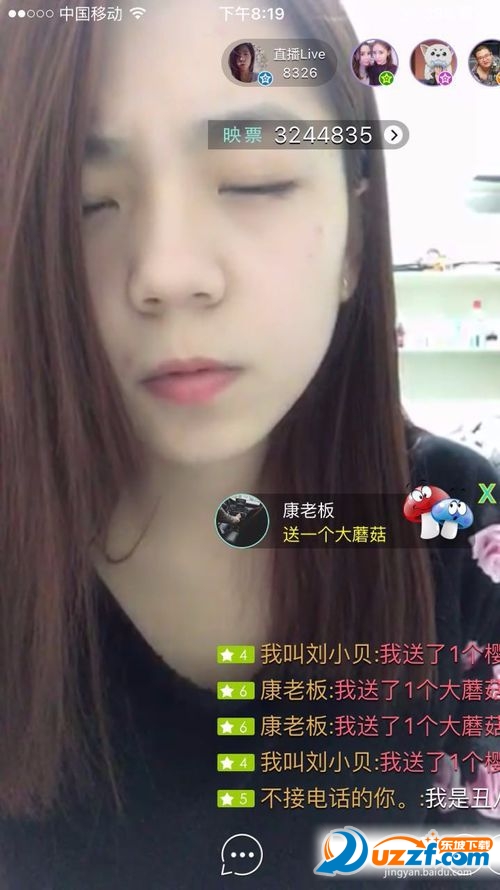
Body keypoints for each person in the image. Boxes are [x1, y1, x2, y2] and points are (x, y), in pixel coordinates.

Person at [1, 1, 500, 888]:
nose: (167, 273)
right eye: (86, 202)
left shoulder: (465, 537)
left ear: (356, 238)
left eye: (252, 180)